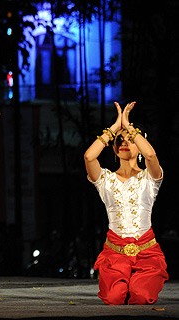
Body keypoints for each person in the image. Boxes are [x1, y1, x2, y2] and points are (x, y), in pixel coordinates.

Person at [84, 101, 169, 305]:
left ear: (138, 144)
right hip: (115, 253)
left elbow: (150, 154)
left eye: (129, 140)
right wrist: (114, 128)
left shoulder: (150, 178)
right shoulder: (106, 180)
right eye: (119, 141)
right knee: (114, 297)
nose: (123, 142)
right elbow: (89, 156)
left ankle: (136, 284)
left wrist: (129, 127)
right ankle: (124, 285)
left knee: (140, 296)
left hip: (146, 252)